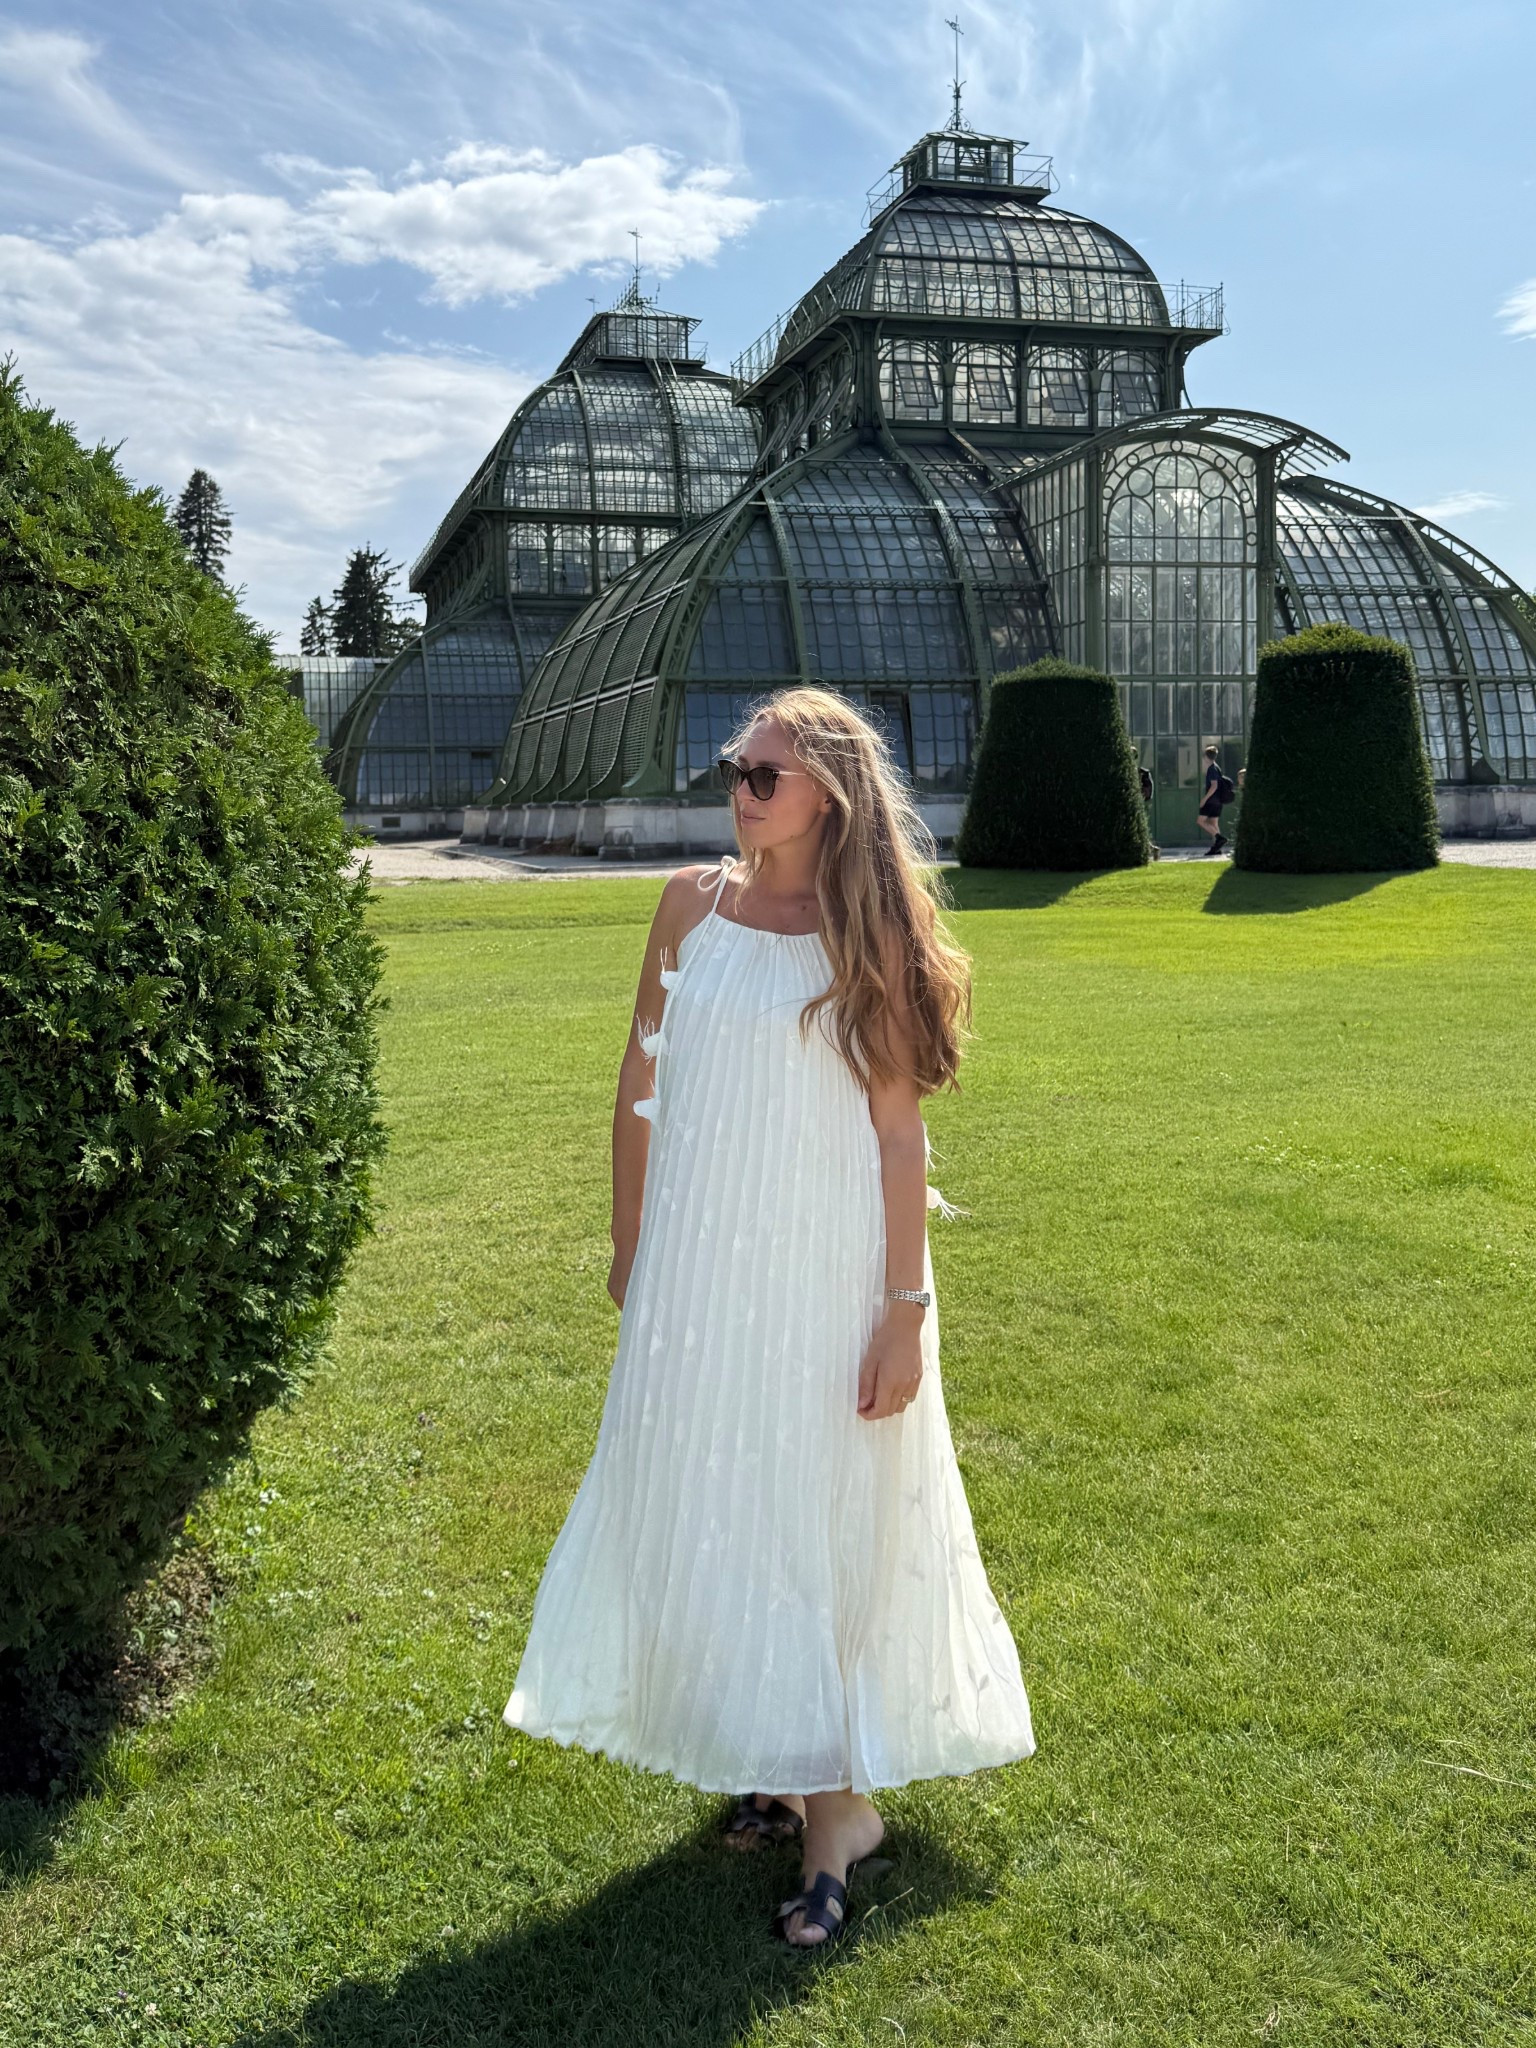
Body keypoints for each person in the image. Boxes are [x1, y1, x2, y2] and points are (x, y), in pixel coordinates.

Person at [503, 685, 1036, 1950]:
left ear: (828, 799)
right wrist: (635, 1247)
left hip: (829, 1270)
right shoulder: (689, 904)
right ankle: (771, 1746)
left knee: (821, 1510)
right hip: (703, 1276)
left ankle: (840, 1809)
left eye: (763, 774)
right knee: (716, 1493)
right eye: (734, 767)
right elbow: (642, 1074)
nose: (738, 790)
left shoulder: (868, 938)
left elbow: (901, 1138)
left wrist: (904, 1310)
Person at [1198, 743, 1229, 855]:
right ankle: (1217, 848)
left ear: (1206, 756)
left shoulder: (1212, 769)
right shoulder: (1217, 768)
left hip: (1211, 800)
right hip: (1218, 800)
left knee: (1200, 821)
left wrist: (1204, 799)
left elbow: (1214, 785)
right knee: (1213, 823)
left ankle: (1219, 839)